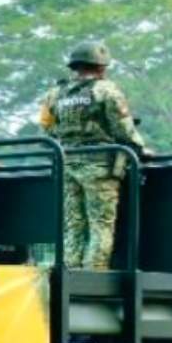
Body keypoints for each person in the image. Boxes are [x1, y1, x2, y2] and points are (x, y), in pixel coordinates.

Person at [40, 42, 149, 270]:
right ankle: (93, 273)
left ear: (75, 66)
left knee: (74, 223)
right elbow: (122, 127)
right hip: (99, 165)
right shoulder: (106, 90)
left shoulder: (55, 94)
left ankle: (70, 271)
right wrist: (140, 148)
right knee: (100, 224)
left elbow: (47, 128)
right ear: (102, 67)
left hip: (67, 162)